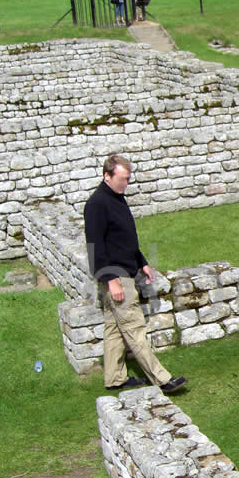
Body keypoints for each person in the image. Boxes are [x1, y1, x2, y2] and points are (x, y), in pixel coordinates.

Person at [84, 155, 187, 395]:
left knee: (114, 329)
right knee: (134, 328)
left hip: (125, 271)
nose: (126, 184)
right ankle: (162, 380)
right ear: (107, 176)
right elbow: (95, 246)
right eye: (123, 179)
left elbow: (124, 238)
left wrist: (143, 263)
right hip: (116, 276)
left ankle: (114, 378)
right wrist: (110, 280)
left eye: (128, 179)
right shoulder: (97, 204)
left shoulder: (117, 199)